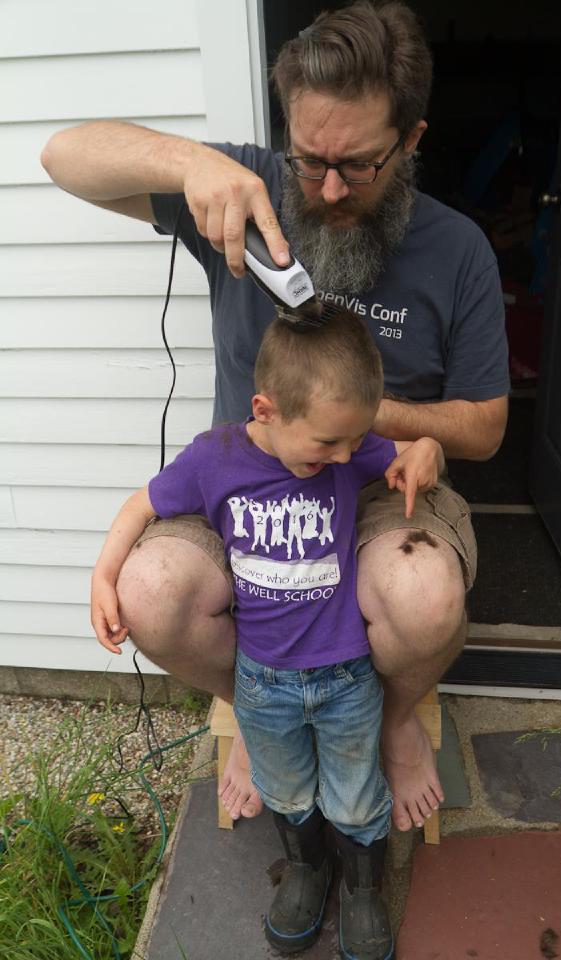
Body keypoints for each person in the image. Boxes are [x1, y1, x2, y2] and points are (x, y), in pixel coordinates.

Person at [41, 0, 510, 833]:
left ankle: (393, 720)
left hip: (379, 482)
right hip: (244, 487)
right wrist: (187, 162)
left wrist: (359, 425)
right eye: (310, 159)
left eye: (359, 165)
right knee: (153, 592)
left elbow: (485, 425)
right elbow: (61, 155)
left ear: (411, 140)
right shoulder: (243, 186)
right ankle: (259, 711)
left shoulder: (459, 249)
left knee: (426, 597)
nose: (328, 189)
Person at [91, 310, 444, 959]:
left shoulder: (351, 445)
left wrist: (425, 450)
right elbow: (142, 503)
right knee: (284, 787)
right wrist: (104, 576)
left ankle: (363, 886)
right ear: (266, 408)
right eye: (327, 445)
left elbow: (414, 451)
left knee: (356, 789)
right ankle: (308, 869)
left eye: (353, 442)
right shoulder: (213, 459)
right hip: (261, 680)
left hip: (345, 677)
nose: (345, 458)